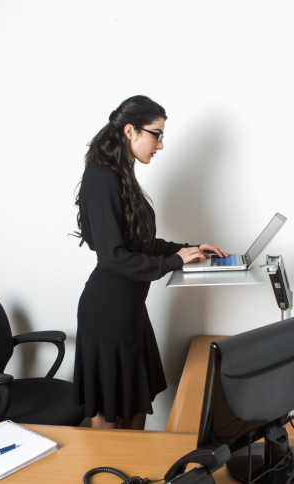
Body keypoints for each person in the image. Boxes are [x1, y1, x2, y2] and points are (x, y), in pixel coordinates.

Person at [72, 95, 227, 430]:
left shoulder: (120, 174)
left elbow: (139, 243)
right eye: (156, 134)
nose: (160, 145)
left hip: (129, 311)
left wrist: (190, 249)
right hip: (107, 313)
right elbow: (113, 257)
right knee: (110, 420)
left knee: (136, 407)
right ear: (131, 131)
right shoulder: (101, 178)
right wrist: (172, 262)